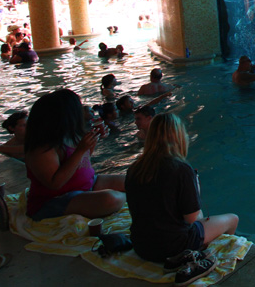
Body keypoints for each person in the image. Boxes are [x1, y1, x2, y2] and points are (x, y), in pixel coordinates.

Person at [126, 113, 239, 269]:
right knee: (232, 219)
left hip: (141, 246)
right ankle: (201, 261)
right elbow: (194, 219)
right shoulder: (181, 169)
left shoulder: (134, 168)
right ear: (178, 137)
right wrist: (195, 191)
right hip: (172, 248)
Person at [24, 89, 126, 220]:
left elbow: (82, 162)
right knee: (111, 199)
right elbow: (55, 184)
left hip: (86, 185)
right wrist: (81, 150)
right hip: (54, 201)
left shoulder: (70, 134)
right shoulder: (41, 148)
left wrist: (93, 140)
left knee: (134, 180)